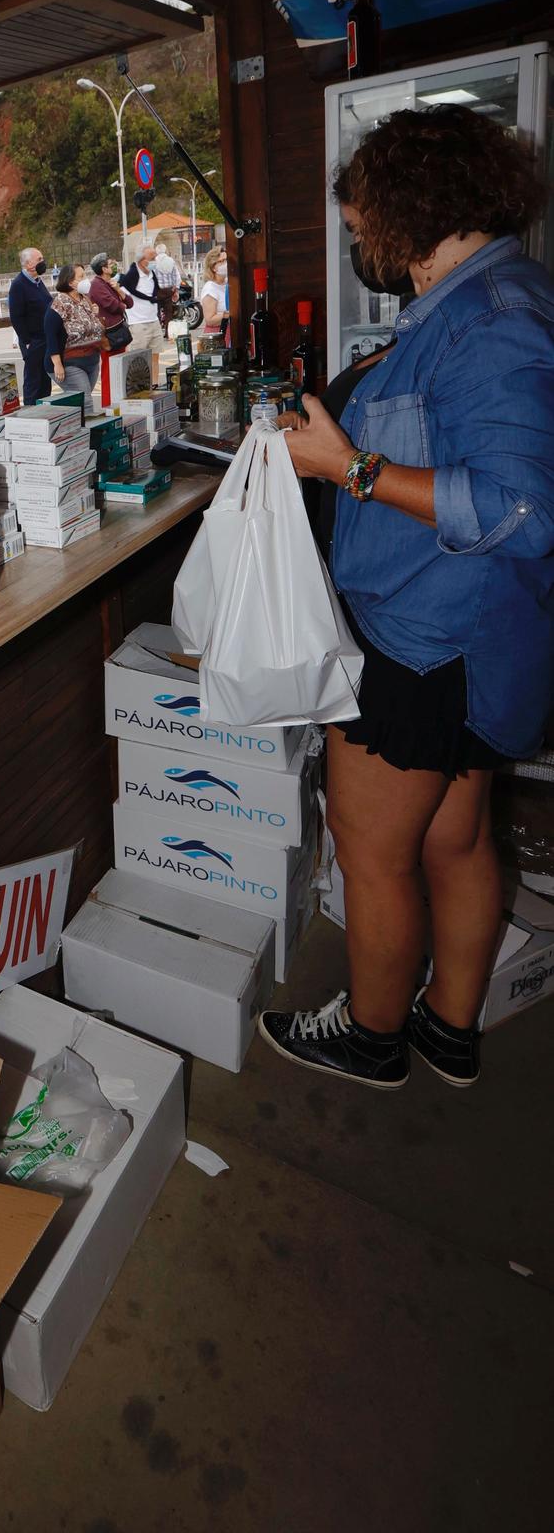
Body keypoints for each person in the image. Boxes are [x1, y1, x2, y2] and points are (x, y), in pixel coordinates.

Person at [259, 104, 554, 1091]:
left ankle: (374, 1032)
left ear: (405, 210)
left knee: (371, 849)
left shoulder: (490, 321)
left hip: (424, 644)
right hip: (481, 641)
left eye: (357, 229)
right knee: (456, 833)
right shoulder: (494, 293)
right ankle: (449, 1026)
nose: (358, 247)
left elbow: (519, 504)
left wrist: (348, 469)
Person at [43, 264, 104, 396]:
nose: (86, 279)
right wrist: (57, 364)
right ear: (70, 282)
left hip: (91, 361)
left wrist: (95, 315)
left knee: (81, 402)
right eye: (81, 277)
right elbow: (50, 334)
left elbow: (93, 327)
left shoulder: (85, 299)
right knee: (85, 401)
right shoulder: (60, 303)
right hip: (70, 363)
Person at [118, 242, 167, 385]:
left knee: (155, 357)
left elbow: (156, 293)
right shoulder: (132, 275)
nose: (153, 261)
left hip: (153, 320)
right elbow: (123, 296)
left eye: (154, 258)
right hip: (138, 324)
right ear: (141, 259)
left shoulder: (152, 274)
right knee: (138, 360)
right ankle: (138, 389)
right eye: (151, 258)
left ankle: (155, 385)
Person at [8, 247, 50, 404]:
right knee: (33, 381)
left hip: (45, 339)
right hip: (33, 341)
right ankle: (30, 415)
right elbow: (16, 316)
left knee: (45, 381)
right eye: (39, 259)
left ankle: (45, 412)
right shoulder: (19, 285)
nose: (43, 262)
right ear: (27, 264)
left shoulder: (38, 282)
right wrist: (27, 341)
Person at [87, 252, 132, 353]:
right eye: (111, 263)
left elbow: (130, 303)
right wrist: (122, 305)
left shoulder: (110, 282)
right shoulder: (96, 285)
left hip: (119, 331)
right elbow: (113, 306)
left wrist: (118, 289)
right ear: (104, 269)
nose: (115, 265)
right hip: (109, 336)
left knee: (121, 364)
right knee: (111, 366)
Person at [150, 238, 181, 331]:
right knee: (168, 312)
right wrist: (176, 288)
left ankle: (158, 332)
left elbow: (149, 277)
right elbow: (176, 276)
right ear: (165, 250)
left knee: (157, 312)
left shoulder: (153, 262)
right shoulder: (171, 261)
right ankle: (168, 332)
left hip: (157, 291)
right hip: (168, 290)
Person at [200, 244, 229, 338]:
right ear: (213, 267)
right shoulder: (210, 289)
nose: (226, 264)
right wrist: (228, 315)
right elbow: (210, 319)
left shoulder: (227, 283)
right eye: (222, 261)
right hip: (217, 336)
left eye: (227, 260)